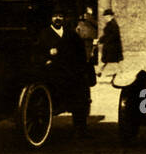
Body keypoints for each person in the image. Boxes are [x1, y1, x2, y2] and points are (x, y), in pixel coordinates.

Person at [36, 8, 94, 137]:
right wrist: (46, 58)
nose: (58, 19)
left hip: (70, 71)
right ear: (51, 18)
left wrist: (81, 66)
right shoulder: (44, 34)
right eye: (55, 16)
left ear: (64, 18)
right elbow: (38, 52)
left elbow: (80, 52)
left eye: (60, 16)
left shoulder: (71, 34)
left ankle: (80, 128)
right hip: (53, 72)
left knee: (80, 95)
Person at [96, 9, 122, 81]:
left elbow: (111, 36)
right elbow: (107, 35)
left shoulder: (113, 25)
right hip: (111, 46)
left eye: (106, 17)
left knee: (111, 61)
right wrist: (100, 40)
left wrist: (102, 40)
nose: (105, 18)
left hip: (112, 47)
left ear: (110, 16)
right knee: (108, 60)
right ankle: (100, 71)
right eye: (105, 17)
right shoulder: (111, 24)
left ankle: (119, 74)